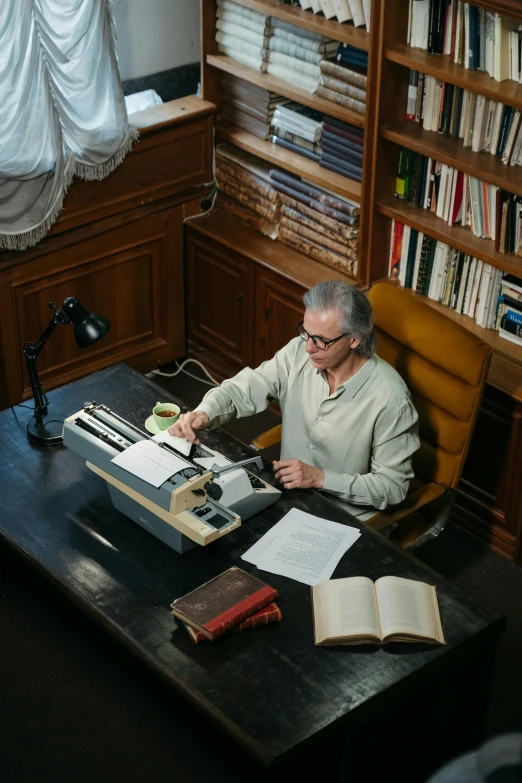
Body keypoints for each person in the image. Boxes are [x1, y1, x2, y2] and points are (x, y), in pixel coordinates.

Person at [169, 280, 420, 520]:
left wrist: (320, 478)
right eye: (306, 333)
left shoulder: (391, 399)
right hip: (289, 498)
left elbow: (392, 487)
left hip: (347, 519)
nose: (309, 347)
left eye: (321, 340)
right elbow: (245, 388)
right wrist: (205, 413)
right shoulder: (298, 352)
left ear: (355, 339)